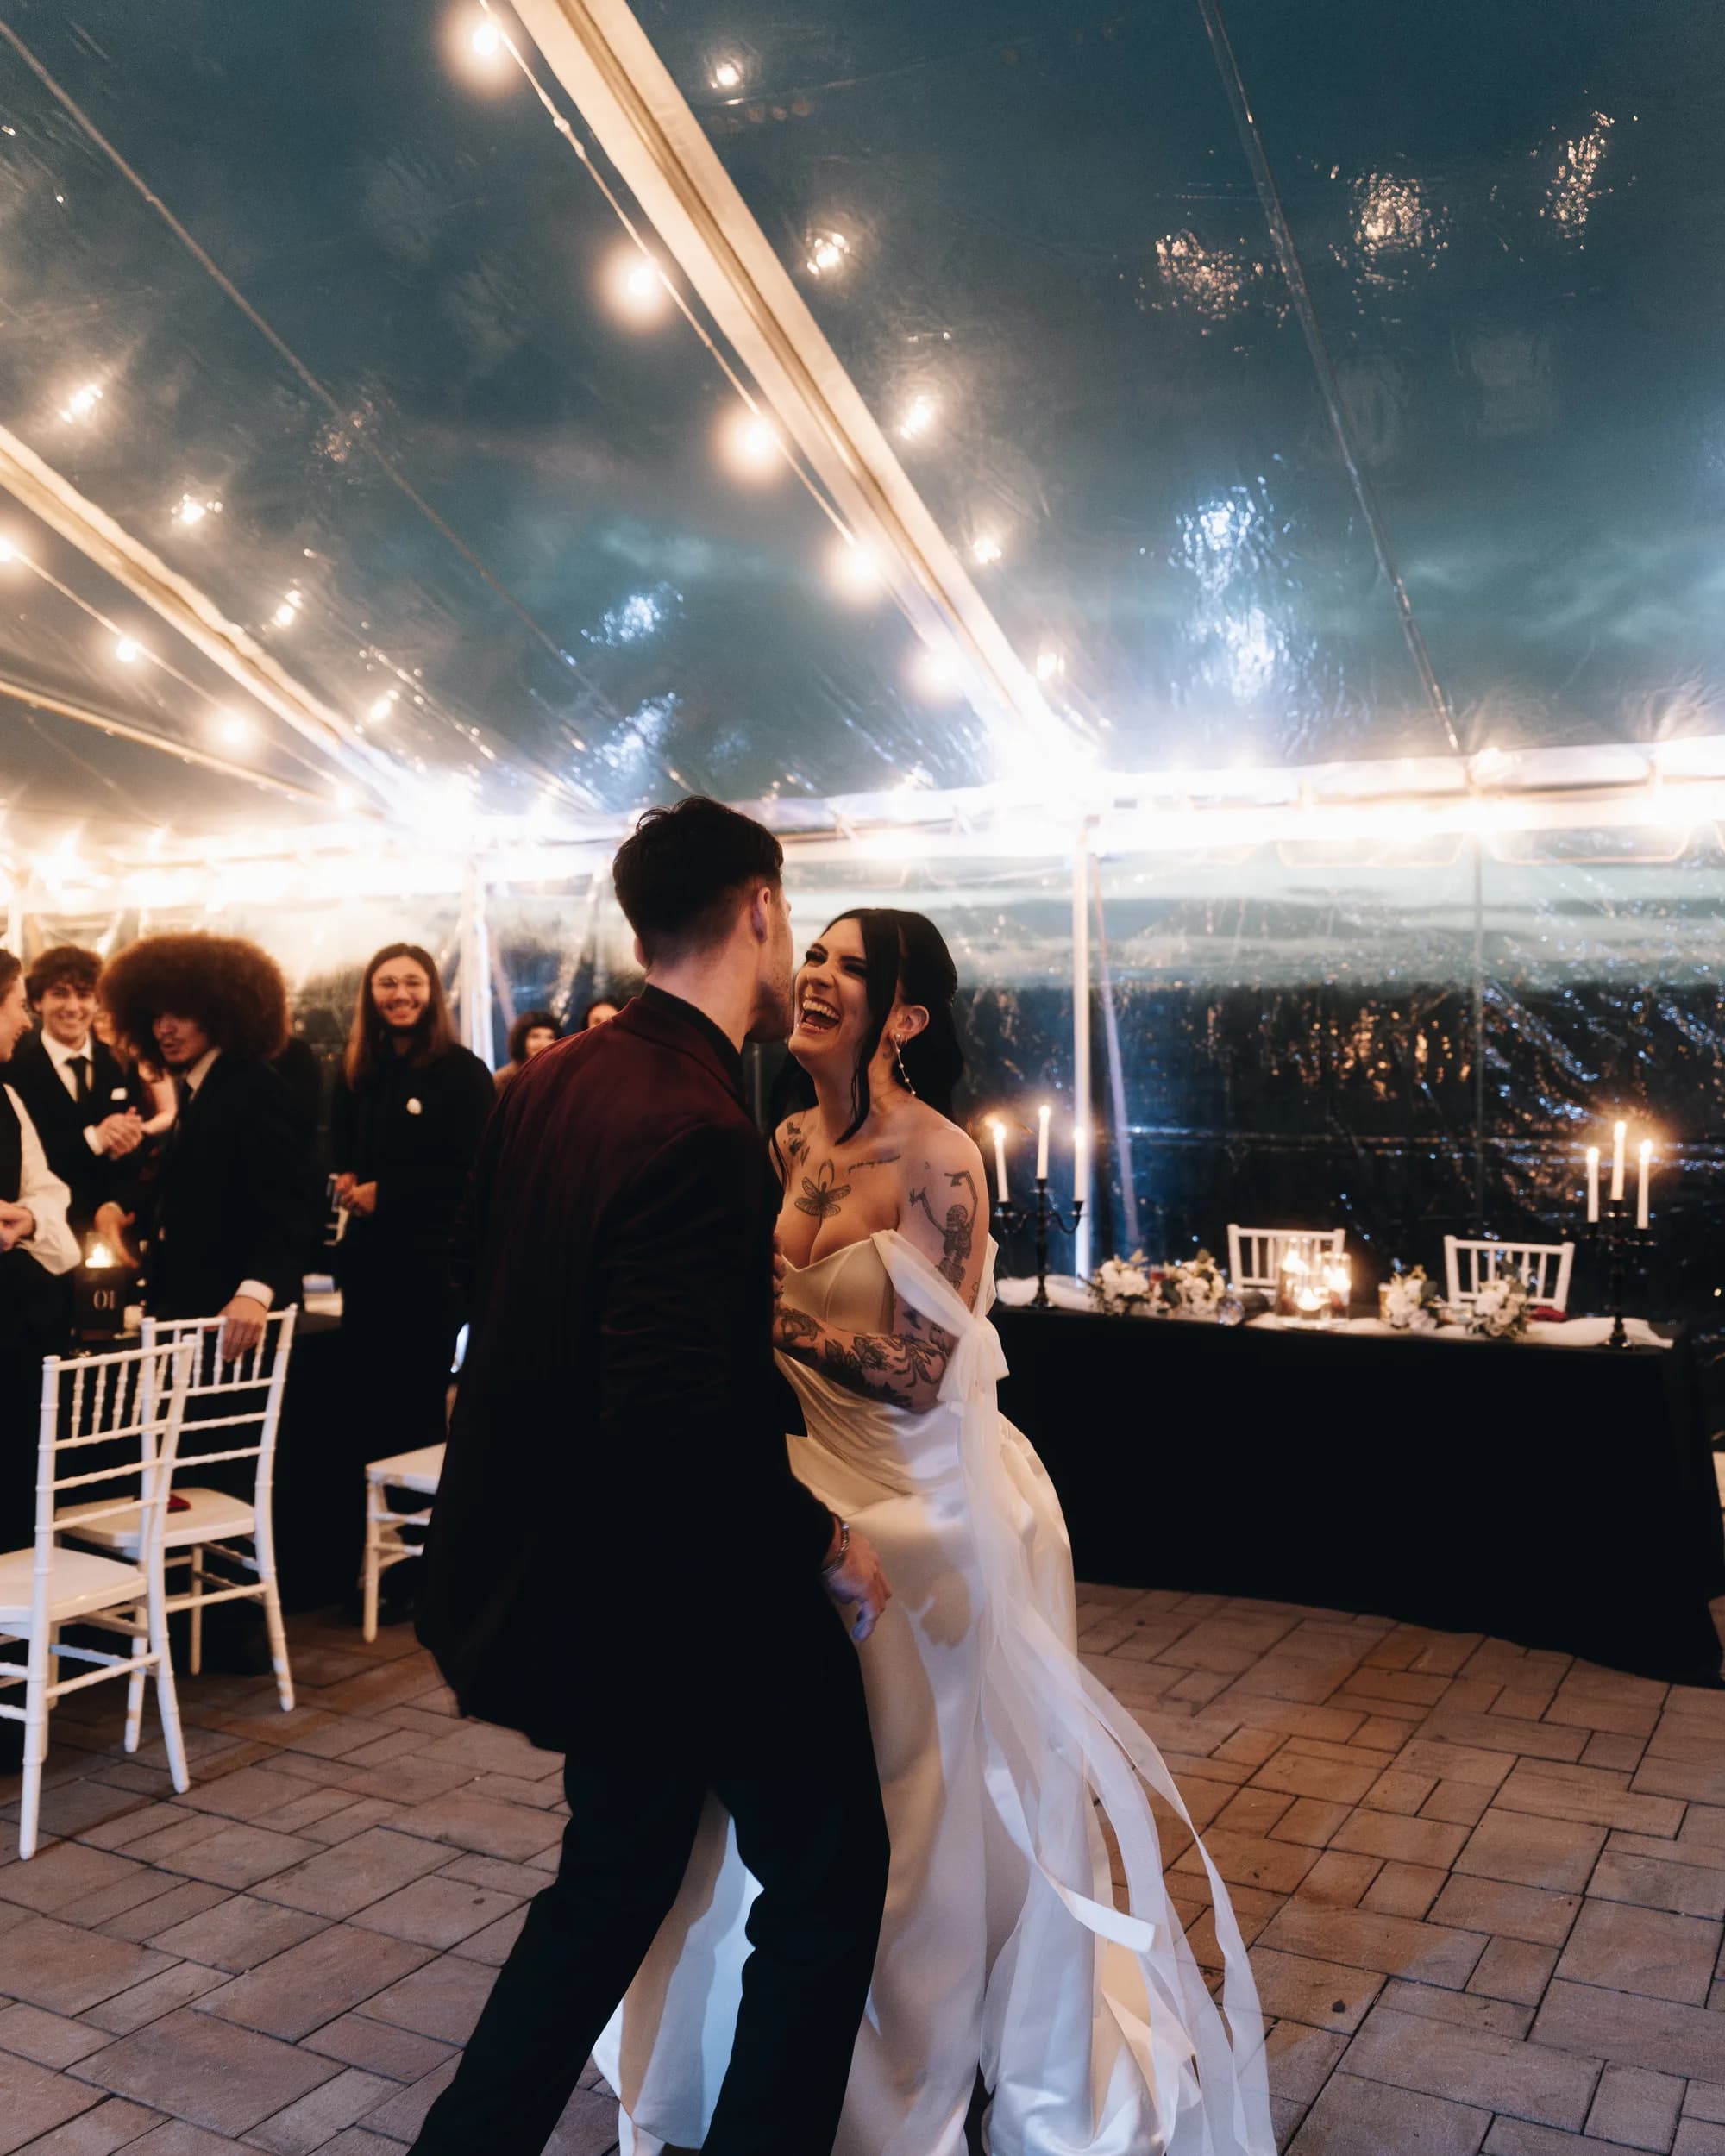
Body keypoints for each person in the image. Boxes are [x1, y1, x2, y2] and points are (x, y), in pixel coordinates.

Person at [593, 909, 1274, 2156]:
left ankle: (906, 2062)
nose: (814, 975)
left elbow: (920, 1370)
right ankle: (746, 2046)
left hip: (920, 1489)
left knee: (915, 1800)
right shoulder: (786, 1133)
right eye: (816, 953)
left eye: (850, 967)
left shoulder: (940, 1160)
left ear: (904, 1016)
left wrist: (755, 1317)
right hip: (806, 1469)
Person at [414, 799, 892, 2156]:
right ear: (758, 907)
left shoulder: (551, 1081)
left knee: (609, 1885)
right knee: (828, 1871)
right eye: (787, 916)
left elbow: (477, 1280)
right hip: (685, 1597)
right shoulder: (696, 1122)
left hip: (570, 1578)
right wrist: (819, 1543)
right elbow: (674, 1417)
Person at [98, 932, 311, 1360]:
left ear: (220, 1012)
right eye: (156, 1014)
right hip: (193, 1320)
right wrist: (127, 1209)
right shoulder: (203, 1088)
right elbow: (200, 1183)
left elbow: (291, 1204)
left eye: (180, 1013)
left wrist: (255, 1292)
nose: (164, 1028)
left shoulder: (252, 1087)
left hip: (233, 1326)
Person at [329, 944, 492, 1494]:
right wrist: (347, 1177)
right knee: (364, 1410)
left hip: (429, 1276)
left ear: (431, 992)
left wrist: (390, 1193)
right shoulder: (356, 1073)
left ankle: (421, 1545)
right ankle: (374, 1545)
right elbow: (338, 1150)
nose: (400, 994)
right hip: (366, 1272)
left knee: (418, 1409)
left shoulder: (463, 1073)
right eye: (387, 984)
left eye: (412, 982)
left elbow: (478, 1173)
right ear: (370, 995)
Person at [4, 944, 154, 1238]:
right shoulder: (13, 1067)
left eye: (84, 995)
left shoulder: (119, 1063)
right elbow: (20, 1162)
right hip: (39, 1232)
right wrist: (94, 1139)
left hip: (108, 1227)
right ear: (36, 1002)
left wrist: (128, 1144)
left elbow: (136, 1153)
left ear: (98, 1003)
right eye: (60, 993)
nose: (72, 1007)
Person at [492, 1007, 561, 1098]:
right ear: (521, 1040)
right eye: (535, 1036)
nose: (543, 1043)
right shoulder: (503, 1079)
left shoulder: (560, 1075)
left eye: (550, 1037)